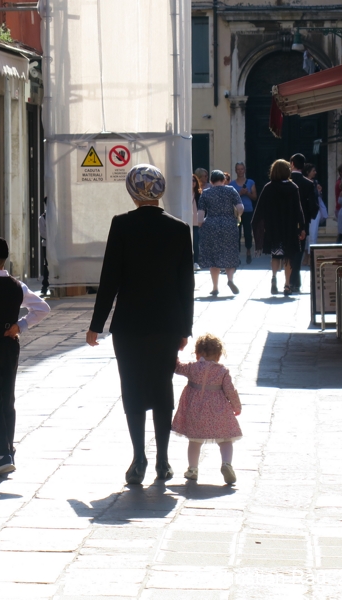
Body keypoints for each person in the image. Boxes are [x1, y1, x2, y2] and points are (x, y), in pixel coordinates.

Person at [86, 164, 194, 485]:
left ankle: (139, 458)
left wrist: (96, 324)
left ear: (133, 192)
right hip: (167, 323)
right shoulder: (178, 228)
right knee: (162, 387)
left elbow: (110, 280)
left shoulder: (122, 225)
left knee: (132, 388)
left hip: (129, 324)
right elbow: (185, 283)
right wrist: (185, 328)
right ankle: (163, 460)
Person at [0, 236, 50, 476]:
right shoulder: (18, 285)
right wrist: (20, 326)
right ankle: (9, 449)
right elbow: (42, 308)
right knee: (8, 398)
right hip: (10, 346)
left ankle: (0, 454)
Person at [171, 333, 242, 485]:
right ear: (218, 355)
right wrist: (236, 406)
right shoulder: (222, 371)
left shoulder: (192, 368)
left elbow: (176, 367)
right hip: (218, 411)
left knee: (195, 441)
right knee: (225, 439)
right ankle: (226, 464)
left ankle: (193, 469)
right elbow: (230, 390)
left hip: (195, 412)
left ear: (197, 353)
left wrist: (173, 351)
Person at [251, 159, 307, 296]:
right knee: (288, 256)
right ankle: (287, 285)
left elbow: (259, 210)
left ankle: (274, 277)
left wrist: (258, 228)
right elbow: (298, 210)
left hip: (273, 228)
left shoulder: (268, 187)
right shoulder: (293, 187)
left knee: (276, 255)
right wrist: (302, 228)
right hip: (289, 228)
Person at [198, 170, 244, 296]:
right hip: (229, 224)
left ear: (211, 181)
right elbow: (240, 208)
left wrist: (201, 224)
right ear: (223, 180)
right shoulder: (231, 190)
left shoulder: (206, 193)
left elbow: (201, 215)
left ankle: (215, 287)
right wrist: (237, 216)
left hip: (211, 225)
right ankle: (230, 280)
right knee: (230, 252)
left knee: (214, 256)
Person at [289, 154, 317, 292]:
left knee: (289, 252)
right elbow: (313, 206)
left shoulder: (285, 182)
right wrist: (310, 217)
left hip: (287, 222)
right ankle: (295, 280)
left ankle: (291, 281)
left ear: (292, 163)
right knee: (299, 251)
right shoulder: (309, 184)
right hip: (303, 223)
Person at [228, 162, 257, 265]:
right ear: (235, 171)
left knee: (248, 232)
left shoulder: (250, 182)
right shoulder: (231, 184)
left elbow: (254, 197)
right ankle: (237, 255)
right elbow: (230, 199)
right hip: (236, 212)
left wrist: (247, 193)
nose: (240, 171)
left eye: (242, 169)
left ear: (244, 170)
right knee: (237, 233)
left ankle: (248, 251)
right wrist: (239, 194)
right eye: (238, 169)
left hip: (248, 210)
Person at [304, 164, 328, 257]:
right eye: (313, 171)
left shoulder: (315, 182)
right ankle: (307, 256)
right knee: (307, 235)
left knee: (313, 233)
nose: (315, 172)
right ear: (308, 172)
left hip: (314, 210)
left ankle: (311, 256)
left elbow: (318, 197)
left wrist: (319, 191)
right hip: (307, 211)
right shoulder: (304, 182)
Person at [39, 198, 49, 296]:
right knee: (47, 264)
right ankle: (45, 286)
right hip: (47, 244)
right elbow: (42, 233)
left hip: (56, 244)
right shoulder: (42, 217)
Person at [192, 175, 202, 270]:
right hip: (186, 221)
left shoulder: (199, 194)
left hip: (196, 222)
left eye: (194, 180)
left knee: (195, 243)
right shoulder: (185, 194)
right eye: (191, 181)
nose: (193, 182)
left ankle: (196, 262)